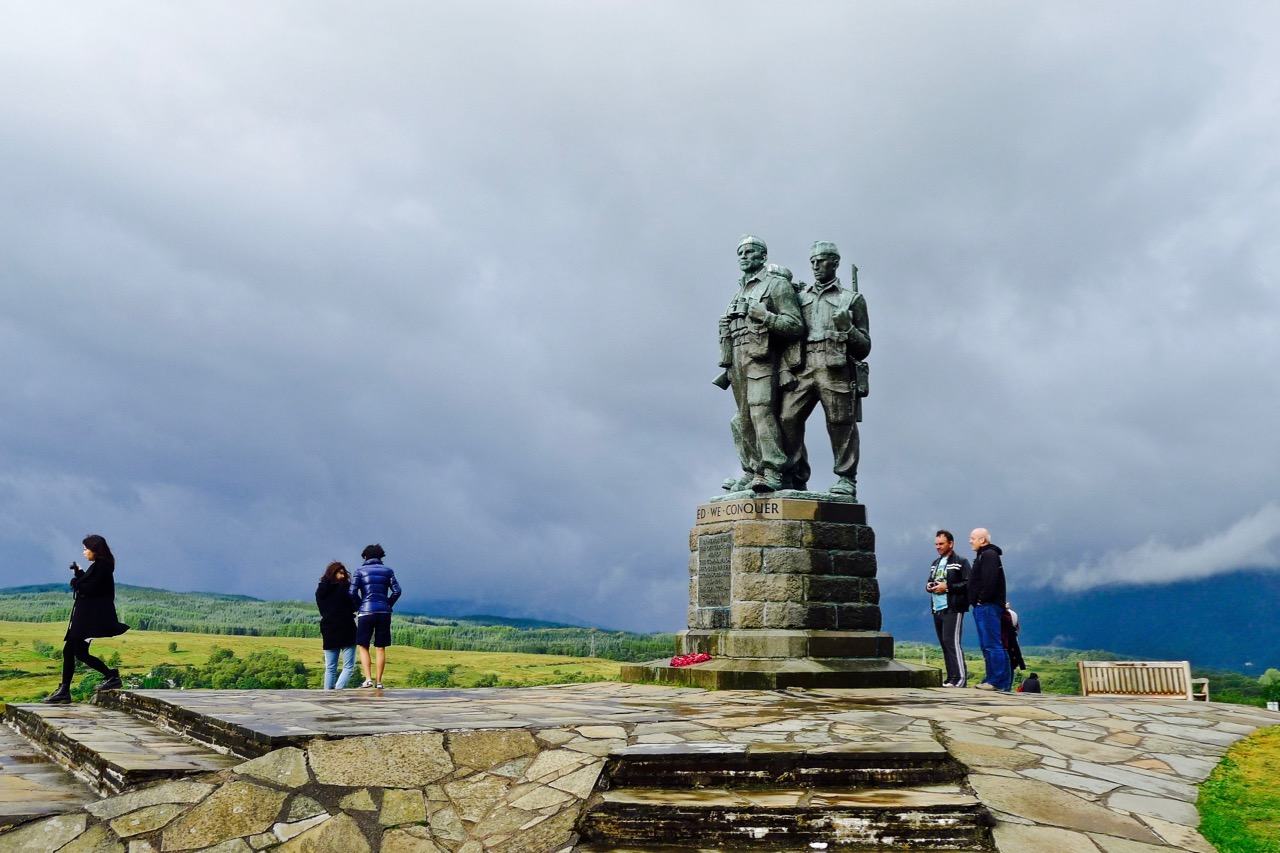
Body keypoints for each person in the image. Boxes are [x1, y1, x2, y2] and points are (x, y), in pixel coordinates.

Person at [779, 241, 871, 496]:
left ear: (835, 263)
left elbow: (864, 347)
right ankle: (795, 474)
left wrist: (848, 328)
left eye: (821, 260)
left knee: (841, 423)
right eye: (813, 261)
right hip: (804, 365)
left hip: (835, 368)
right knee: (787, 418)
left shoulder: (851, 299)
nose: (816, 266)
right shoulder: (800, 297)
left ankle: (846, 478)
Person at [717, 235, 804, 493]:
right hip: (737, 358)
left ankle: (773, 470)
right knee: (742, 419)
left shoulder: (776, 286)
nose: (744, 256)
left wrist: (763, 315)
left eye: (749, 252)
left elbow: (795, 325)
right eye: (740, 253)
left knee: (760, 411)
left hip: (763, 358)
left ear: (762, 256)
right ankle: (753, 470)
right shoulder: (739, 290)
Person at [44, 534, 129, 704]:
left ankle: (109, 676)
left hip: (89, 620)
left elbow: (89, 589)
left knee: (76, 652)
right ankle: (65, 690)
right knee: (73, 652)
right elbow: (89, 583)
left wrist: (75, 581)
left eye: (86, 549)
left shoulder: (102, 568)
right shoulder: (99, 567)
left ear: (95, 550)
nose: (84, 552)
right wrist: (79, 572)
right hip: (85, 618)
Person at [349, 543, 401, 689]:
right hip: (384, 612)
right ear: (380, 556)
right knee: (380, 647)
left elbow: (352, 592)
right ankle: (379, 681)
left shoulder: (360, 571)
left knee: (363, 645)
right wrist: (388, 603)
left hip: (366, 612)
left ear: (365, 556)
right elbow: (397, 591)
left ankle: (368, 679)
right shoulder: (388, 571)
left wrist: (360, 605)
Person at [925, 530, 971, 688]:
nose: (938, 547)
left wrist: (948, 587)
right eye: (936, 544)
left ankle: (960, 679)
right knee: (944, 643)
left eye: (941, 544)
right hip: (937, 608)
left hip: (953, 607)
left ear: (950, 543)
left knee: (952, 642)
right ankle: (951, 677)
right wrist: (929, 586)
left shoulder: (961, 562)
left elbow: (968, 584)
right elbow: (931, 580)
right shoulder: (935, 563)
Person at [968, 528, 1012, 692]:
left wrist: (981, 599)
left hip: (988, 606)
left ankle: (997, 681)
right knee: (986, 645)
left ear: (983, 540)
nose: (970, 541)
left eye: (973, 538)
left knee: (993, 644)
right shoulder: (983, 555)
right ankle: (990, 678)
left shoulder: (989, 555)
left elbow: (990, 580)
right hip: (983, 606)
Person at [316, 561, 357, 690]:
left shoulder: (321, 591)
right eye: (341, 573)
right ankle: (338, 691)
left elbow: (322, 609)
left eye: (344, 573)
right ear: (333, 573)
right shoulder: (345, 588)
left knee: (330, 668)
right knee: (348, 667)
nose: (343, 576)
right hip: (347, 628)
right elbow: (354, 605)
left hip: (329, 629)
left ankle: (328, 693)